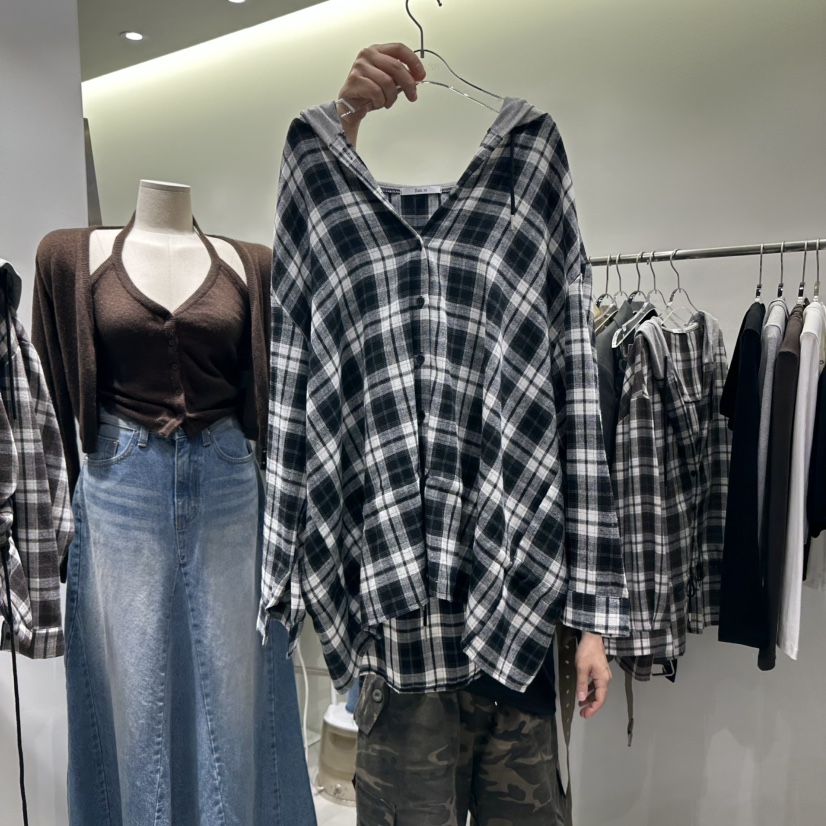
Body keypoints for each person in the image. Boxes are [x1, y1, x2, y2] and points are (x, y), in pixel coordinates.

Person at [325, 42, 617, 826]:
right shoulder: (349, 238)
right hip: (401, 644)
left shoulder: (532, 178)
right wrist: (345, 115)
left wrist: (591, 619)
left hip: (516, 629)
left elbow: (577, 406)